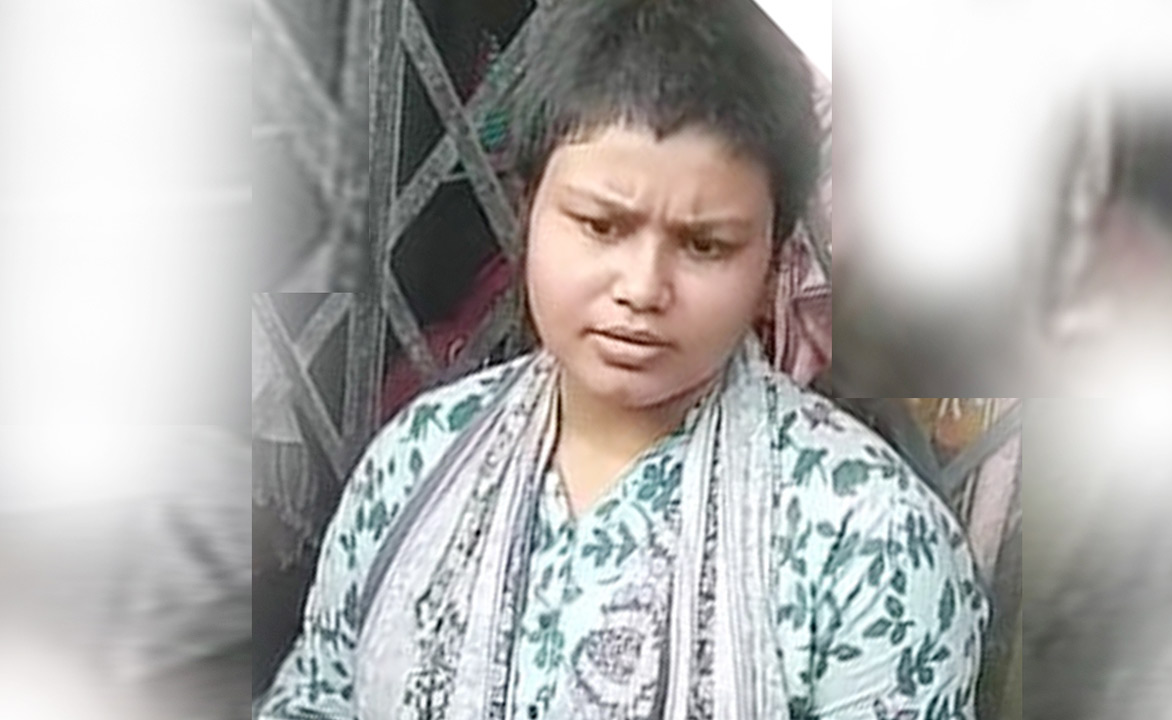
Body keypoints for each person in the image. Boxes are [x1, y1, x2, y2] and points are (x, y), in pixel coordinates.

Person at [256, 1, 988, 717]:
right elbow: (317, 696)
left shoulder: (869, 537)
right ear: (527, 209)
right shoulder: (419, 458)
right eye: (602, 226)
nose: (642, 289)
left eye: (705, 245)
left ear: (772, 261)